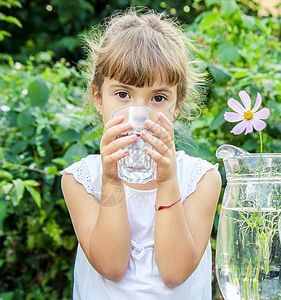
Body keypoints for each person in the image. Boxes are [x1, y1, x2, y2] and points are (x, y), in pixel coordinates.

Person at [60, 8, 222, 299]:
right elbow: (111, 266)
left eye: (158, 98)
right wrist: (111, 179)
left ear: (177, 106)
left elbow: (175, 273)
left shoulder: (201, 180)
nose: (141, 114)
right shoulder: (81, 180)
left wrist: (168, 181)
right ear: (98, 98)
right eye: (123, 94)